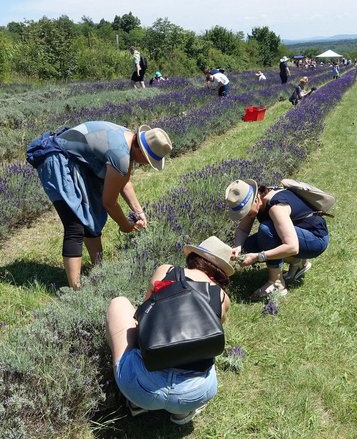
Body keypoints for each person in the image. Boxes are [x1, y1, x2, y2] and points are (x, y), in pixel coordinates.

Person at [106, 236, 233, 425]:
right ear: (222, 273)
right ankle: (183, 412)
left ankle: (137, 403)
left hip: (140, 387)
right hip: (195, 393)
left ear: (194, 257)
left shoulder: (167, 271)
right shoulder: (223, 298)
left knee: (119, 304)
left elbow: (144, 315)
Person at [32, 121, 172, 289]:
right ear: (141, 150)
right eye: (148, 160)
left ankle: (99, 271)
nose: (146, 164)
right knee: (75, 224)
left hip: (78, 163)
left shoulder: (128, 138)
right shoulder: (120, 154)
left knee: (92, 217)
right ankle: (76, 290)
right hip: (57, 159)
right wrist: (125, 225)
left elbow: (124, 181)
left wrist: (138, 211)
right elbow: (109, 203)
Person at [225, 179, 329, 299]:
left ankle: (276, 283)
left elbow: (292, 247)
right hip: (296, 234)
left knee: (266, 230)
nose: (245, 215)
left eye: (246, 211)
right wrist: (238, 247)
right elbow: (243, 230)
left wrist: (258, 256)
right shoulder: (260, 197)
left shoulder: (276, 207)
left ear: (255, 199)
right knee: (247, 247)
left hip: (315, 239)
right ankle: (298, 262)